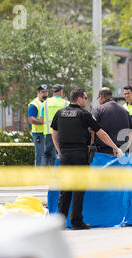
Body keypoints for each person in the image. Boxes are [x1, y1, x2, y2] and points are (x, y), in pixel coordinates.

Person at [51, 88, 124, 230]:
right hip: (79, 154)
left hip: (65, 155)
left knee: (65, 190)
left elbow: (54, 133)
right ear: (79, 99)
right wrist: (115, 147)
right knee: (78, 189)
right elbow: (101, 133)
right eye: (85, 98)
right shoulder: (84, 114)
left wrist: (60, 151)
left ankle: (59, 223)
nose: (86, 100)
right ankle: (76, 221)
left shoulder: (60, 113)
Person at [92, 87, 132, 155]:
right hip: (122, 153)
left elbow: (92, 130)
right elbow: (131, 133)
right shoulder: (125, 111)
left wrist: (90, 146)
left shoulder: (98, 110)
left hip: (103, 153)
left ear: (101, 96)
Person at [41, 84, 70, 166]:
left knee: (46, 154)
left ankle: (44, 175)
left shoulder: (45, 103)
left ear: (53, 92)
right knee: (60, 154)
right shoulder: (66, 103)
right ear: (61, 91)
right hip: (62, 134)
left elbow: (41, 119)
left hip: (48, 133)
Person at [27, 84, 48, 166]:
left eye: (46, 92)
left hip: (47, 133)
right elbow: (31, 119)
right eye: (43, 92)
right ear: (38, 93)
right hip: (38, 133)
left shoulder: (47, 102)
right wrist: (42, 122)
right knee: (40, 155)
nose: (45, 94)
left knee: (47, 155)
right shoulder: (34, 104)